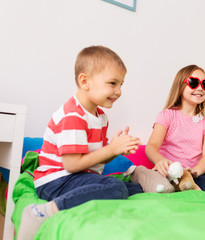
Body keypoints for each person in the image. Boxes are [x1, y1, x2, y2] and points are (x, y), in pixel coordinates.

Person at [17, 46, 142, 240]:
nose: (118, 91)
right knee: (116, 188)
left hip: (76, 177)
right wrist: (111, 149)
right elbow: (72, 164)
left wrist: (116, 148)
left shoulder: (100, 117)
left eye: (121, 85)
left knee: (134, 189)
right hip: (56, 181)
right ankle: (42, 213)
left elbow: (96, 156)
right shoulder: (73, 115)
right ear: (84, 81)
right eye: (112, 83)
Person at [145, 64, 205, 192]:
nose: (200, 88)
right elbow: (151, 146)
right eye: (194, 83)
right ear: (180, 86)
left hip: (199, 171)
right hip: (176, 175)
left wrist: (195, 171)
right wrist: (161, 161)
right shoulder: (167, 115)